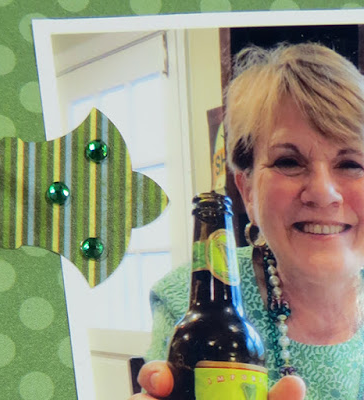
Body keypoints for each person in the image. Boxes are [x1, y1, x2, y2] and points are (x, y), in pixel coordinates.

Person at [131, 42, 364, 400]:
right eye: (288, 161)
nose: (323, 192)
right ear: (248, 190)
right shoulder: (192, 302)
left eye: (351, 164)